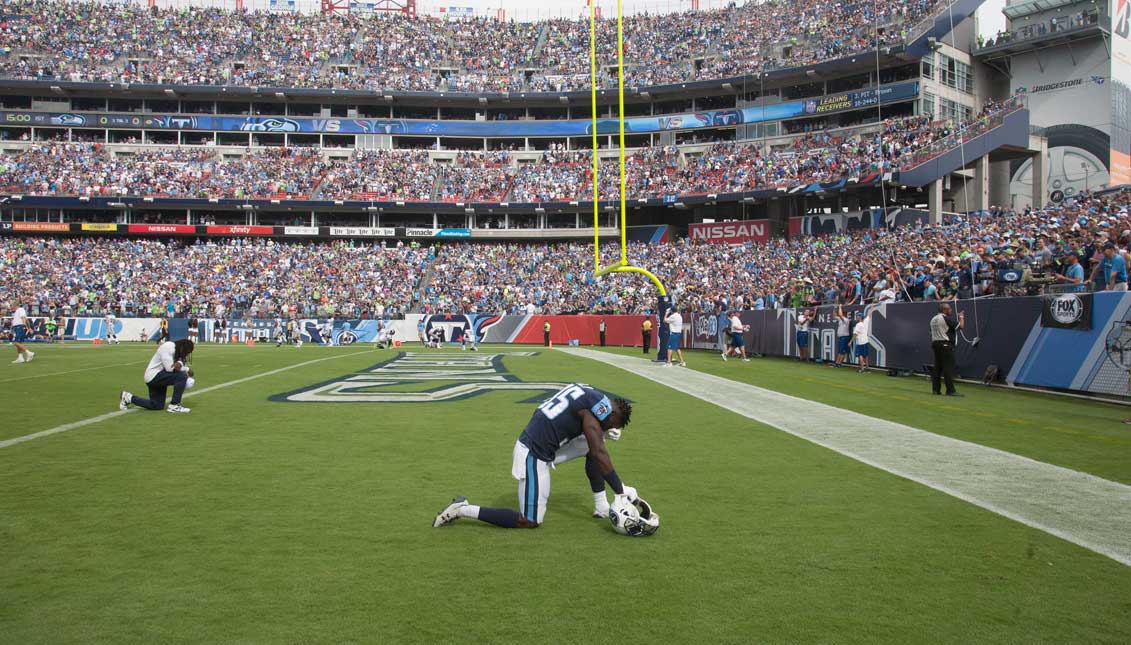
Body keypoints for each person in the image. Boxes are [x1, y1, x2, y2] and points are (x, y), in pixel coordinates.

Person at [433, 383, 637, 529]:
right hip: (534, 453)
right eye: (611, 424)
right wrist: (620, 491)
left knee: (594, 443)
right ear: (610, 414)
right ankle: (462, 509)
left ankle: (601, 505)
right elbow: (599, 451)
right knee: (530, 521)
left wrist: (601, 433)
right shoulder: (594, 412)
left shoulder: (591, 394)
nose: (608, 427)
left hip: (547, 442)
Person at [120, 339, 194, 414]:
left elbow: (177, 368)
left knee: (156, 405)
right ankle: (174, 406)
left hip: (157, 377)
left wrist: (185, 372)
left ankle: (128, 397)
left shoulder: (176, 351)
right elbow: (170, 368)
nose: (186, 355)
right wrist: (186, 369)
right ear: (182, 348)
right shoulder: (168, 346)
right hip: (153, 376)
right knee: (181, 376)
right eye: (186, 352)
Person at [930, 302, 964, 396]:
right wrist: (961, 317)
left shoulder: (933, 319)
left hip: (935, 343)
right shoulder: (945, 318)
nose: (951, 310)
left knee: (937, 367)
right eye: (949, 309)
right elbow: (961, 326)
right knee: (948, 367)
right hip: (945, 344)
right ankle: (950, 390)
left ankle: (936, 390)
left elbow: (930, 332)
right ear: (944, 310)